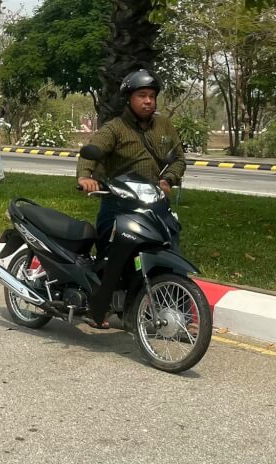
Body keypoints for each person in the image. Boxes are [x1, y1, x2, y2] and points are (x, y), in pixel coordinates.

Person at [77, 68, 186, 327]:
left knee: (170, 252)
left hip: (154, 201)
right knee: (110, 255)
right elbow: (91, 153)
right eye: (142, 96)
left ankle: (179, 313)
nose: (148, 101)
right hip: (119, 203)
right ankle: (100, 307)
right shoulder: (114, 128)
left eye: (152, 96)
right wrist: (85, 178)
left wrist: (168, 179)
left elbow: (179, 158)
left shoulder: (164, 125)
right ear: (129, 99)